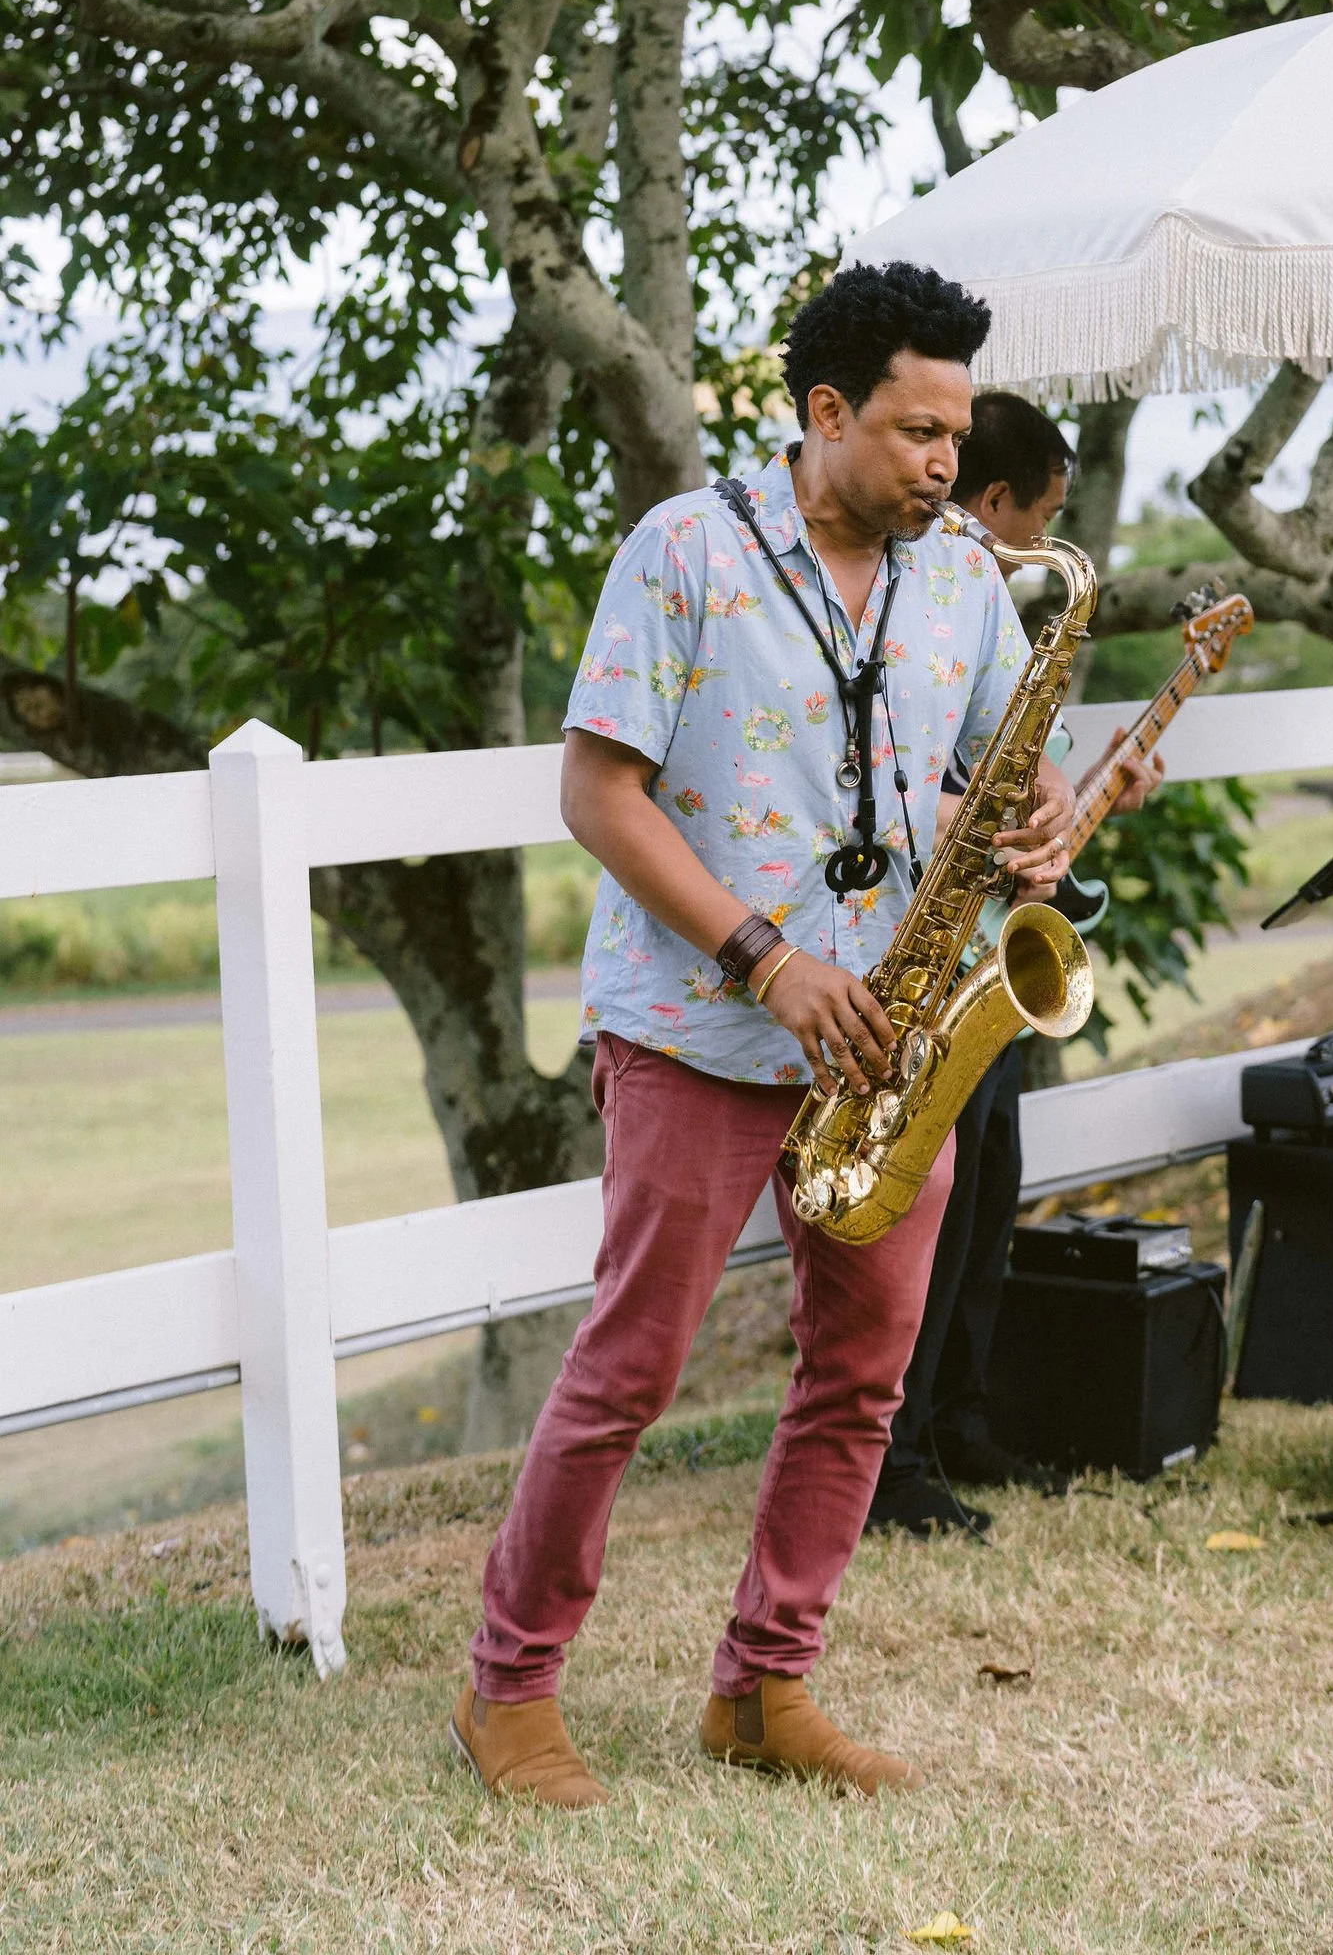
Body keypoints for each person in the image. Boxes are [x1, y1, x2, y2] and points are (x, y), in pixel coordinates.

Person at [450, 263, 1076, 1810]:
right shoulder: (684, 553)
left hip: (891, 1035)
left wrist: (1040, 819)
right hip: (696, 1026)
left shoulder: (962, 579)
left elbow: (1001, 768)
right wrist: (764, 956)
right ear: (823, 412)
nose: (946, 464)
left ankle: (767, 1684)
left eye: (958, 432)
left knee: (863, 1374)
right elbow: (598, 796)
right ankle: (509, 1687)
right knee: (631, 1371)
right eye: (918, 430)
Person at [865, 391, 1164, 1539]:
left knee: (988, 1199)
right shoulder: (907, 590)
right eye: (1042, 512)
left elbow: (1007, 772)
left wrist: (1068, 800)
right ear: (991, 503)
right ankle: (889, 1460)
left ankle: (955, 1416)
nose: (1051, 533)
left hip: (987, 944)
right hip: (917, 945)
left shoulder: (975, 597)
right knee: (928, 1223)